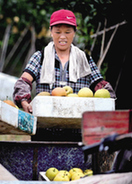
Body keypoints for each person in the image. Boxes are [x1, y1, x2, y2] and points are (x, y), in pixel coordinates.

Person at [13, 9, 116, 141]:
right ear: (51, 32)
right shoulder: (40, 57)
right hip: (44, 129)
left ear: (74, 33)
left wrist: (107, 104)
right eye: (58, 32)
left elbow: (102, 87)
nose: (62, 37)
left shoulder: (84, 59)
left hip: (77, 131)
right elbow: (24, 81)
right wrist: (24, 101)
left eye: (67, 32)